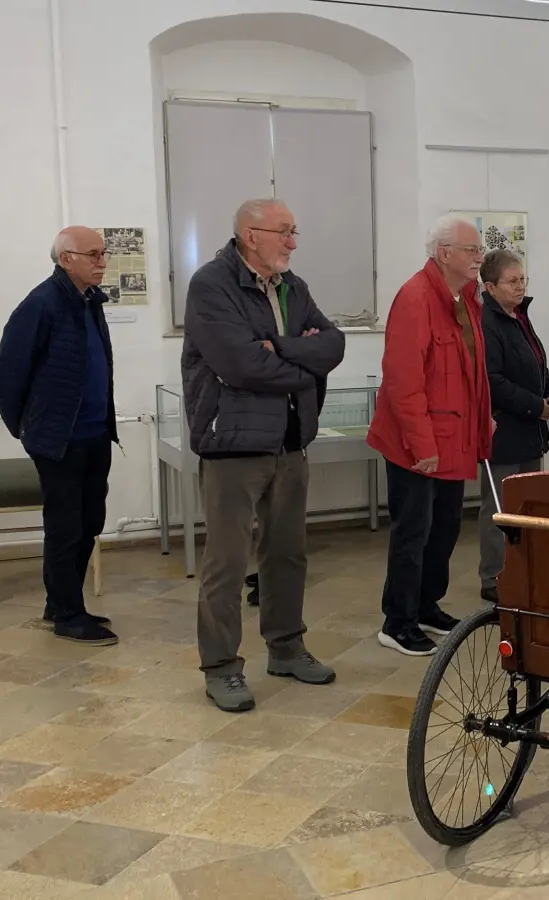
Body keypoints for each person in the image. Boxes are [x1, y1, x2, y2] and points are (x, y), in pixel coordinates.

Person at [181, 198, 346, 712]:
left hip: (291, 438)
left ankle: (287, 647)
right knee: (228, 563)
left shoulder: (294, 287)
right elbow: (241, 365)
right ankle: (222, 667)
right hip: (233, 443)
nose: (294, 242)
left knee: (288, 552)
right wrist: (304, 361)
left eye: (294, 232)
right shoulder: (212, 285)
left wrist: (282, 348)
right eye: (285, 232)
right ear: (251, 235)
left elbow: (334, 346)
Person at [367, 216, 493, 656]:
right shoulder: (415, 297)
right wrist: (423, 446)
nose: (480, 257)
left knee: (444, 528)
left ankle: (424, 605)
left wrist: (483, 421)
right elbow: (402, 382)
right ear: (443, 253)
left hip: (453, 440)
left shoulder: (465, 300)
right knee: (413, 532)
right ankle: (397, 620)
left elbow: (473, 372)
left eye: (479, 250)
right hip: (418, 446)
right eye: (471, 249)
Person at [0, 226, 119, 645]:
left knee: (89, 521)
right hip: (60, 441)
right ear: (66, 259)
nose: (102, 262)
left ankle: (63, 602)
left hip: (95, 433)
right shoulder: (41, 305)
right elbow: (5, 375)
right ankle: (66, 613)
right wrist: (27, 428)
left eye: (104, 254)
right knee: (65, 527)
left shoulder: (89, 302)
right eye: (93, 254)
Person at [477, 249, 549, 604]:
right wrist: (535, 405)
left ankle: (525, 569)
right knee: (498, 507)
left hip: (530, 430)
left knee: (529, 506)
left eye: (522, 279)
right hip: (504, 430)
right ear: (490, 286)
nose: (520, 286)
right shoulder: (488, 322)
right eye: (512, 281)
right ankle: (494, 576)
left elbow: (537, 363)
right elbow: (492, 380)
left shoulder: (519, 316)